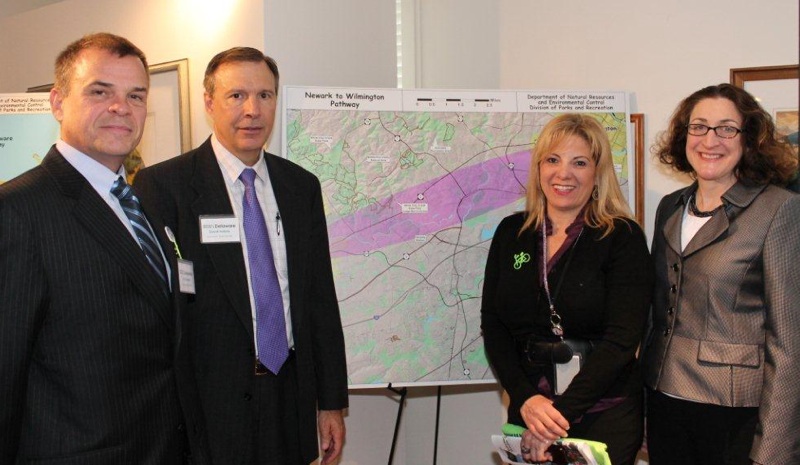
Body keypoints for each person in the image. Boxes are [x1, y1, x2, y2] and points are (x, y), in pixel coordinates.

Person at [0, 33, 209, 464]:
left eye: (136, 95)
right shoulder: (17, 211)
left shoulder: (140, 203)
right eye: (100, 91)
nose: (121, 107)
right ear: (58, 103)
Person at [134, 47, 348, 465]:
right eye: (237, 96)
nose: (252, 110)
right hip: (208, 404)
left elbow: (320, 299)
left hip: (289, 393)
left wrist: (331, 402)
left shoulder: (301, 186)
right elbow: (155, 315)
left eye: (264, 96)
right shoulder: (165, 187)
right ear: (209, 102)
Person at [480, 114, 653, 465]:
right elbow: (494, 324)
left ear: (597, 172)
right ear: (539, 167)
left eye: (579, 162)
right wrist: (526, 399)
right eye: (553, 160)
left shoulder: (622, 237)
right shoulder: (511, 232)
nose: (564, 174)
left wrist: (557, 417)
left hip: (602, 412)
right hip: (530, 411)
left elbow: (621, 340)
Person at [642, 83, 800, 465]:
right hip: (665, 403)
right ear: (684, 136)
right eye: (699, 127)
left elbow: (790, 343)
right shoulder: (671, 206)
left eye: (726, 128)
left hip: (734, 414)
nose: (710, 140)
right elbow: (659, 312)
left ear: (749, 139)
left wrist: (773, 451)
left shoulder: (779, 210)